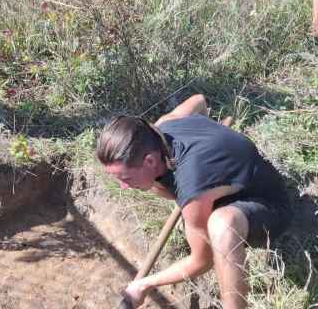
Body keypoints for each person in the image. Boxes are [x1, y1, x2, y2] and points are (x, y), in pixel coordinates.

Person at [96, 95, 291, 309]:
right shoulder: (162, 127)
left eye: (126, 178)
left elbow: (202, 261)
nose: (123, 186)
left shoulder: (193, 186)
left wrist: (143, 285)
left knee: (220, 226)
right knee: (157, 186)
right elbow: (199, 101)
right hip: (219, 182)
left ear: (150, 160)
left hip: (270, 205)